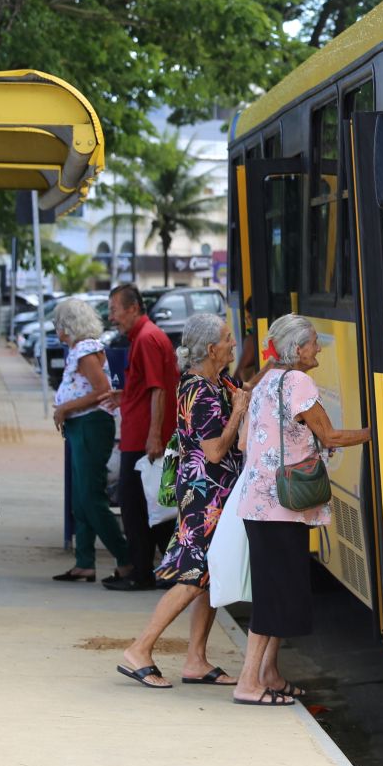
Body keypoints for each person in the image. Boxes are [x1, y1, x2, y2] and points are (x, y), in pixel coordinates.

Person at [229, 314, 370, 705]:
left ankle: (269, 674)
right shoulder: (298, 382)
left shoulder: (266, 381)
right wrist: (379, 432)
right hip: (281, 507)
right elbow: (330, 434)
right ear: (298, 349)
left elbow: (244, 444)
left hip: (261, 504)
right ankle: (248, 682)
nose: (318, 349)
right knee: (274, 595)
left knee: (279, 591)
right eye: (313, 343)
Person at [117, 313, 250, 688]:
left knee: (209, 576)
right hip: (204, 497)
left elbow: (248, 388)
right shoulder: (198, 390)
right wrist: (238, 413)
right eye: (228, 338)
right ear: (211, 349)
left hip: (216, 496)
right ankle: (139, 649)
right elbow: (214, 451)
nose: (233, 343)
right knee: (193, 577)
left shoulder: (218, 381)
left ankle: (196, 660)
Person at [49, 297, 132, 583]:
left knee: (90, 497)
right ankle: (84, 561)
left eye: (57, 325)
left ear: (67, 326)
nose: (56, 331)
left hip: (90, 425)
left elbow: (101, 391)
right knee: (80, 496)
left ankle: (126, 557)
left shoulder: (85, 350)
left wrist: (64, 408)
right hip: (81, 425)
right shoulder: (82, 349)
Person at [105, 283, 178, 592]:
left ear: (132, 308)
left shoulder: (147, 338)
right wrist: (126, 395)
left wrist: (153, 437)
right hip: (141, 435)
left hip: (144, 440)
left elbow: (158, 389)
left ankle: (142, 572)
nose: (112, 318)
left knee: (137, 508)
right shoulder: (145, 337)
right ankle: (165, 568)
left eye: (114, 310)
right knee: (152, 507)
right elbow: (148, 387)